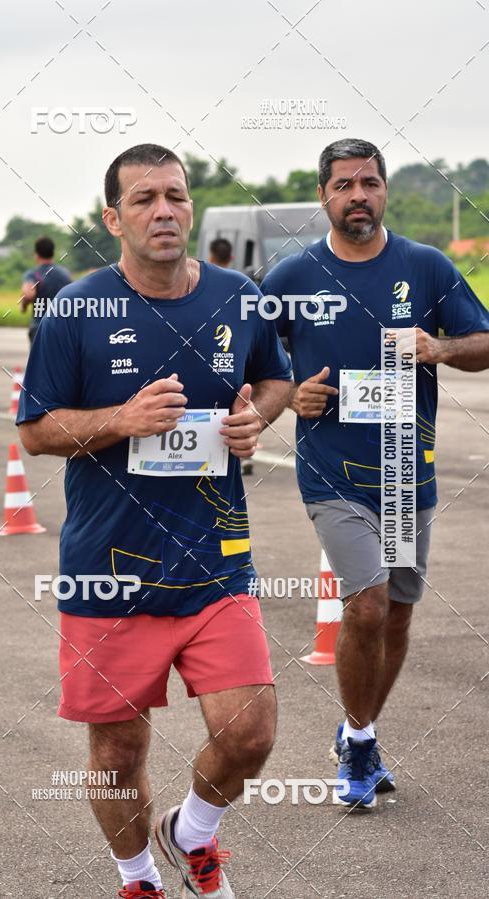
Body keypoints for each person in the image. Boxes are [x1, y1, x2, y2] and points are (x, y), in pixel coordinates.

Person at [17, 143, 293, 897]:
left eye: (174, 195)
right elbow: (36, 430)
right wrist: (123, 417)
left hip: (216, 562)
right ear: (113, 218)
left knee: (251, 733)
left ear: (191, 207)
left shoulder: (239, 295)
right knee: (114, 752)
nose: (163, 210)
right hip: (110, 572)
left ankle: (193, 833)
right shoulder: (74, 309)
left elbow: (275, 378)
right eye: (143, 199)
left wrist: (255, 418)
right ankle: (138, 878)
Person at [260, 138, 489, 809]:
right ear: (323, 196)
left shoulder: (426, 266)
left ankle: (358, 728)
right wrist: (290, 388)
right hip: (331, 472)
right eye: (343, 185)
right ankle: (359, 745)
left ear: (384, 190)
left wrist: (439, 346)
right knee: (365, 600)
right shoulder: (293, 277)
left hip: (404, 473)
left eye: (369, 182)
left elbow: (484, 341)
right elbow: (245, 355)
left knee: (394, 614)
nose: (357, 195)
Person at [20, 236, 71, 344]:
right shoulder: (65, 273)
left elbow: (29, 294)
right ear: (53, 252)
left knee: (40, 360)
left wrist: (23, 306)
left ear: (36, 254)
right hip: (62, 327)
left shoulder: (33, 274)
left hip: (40, 326)